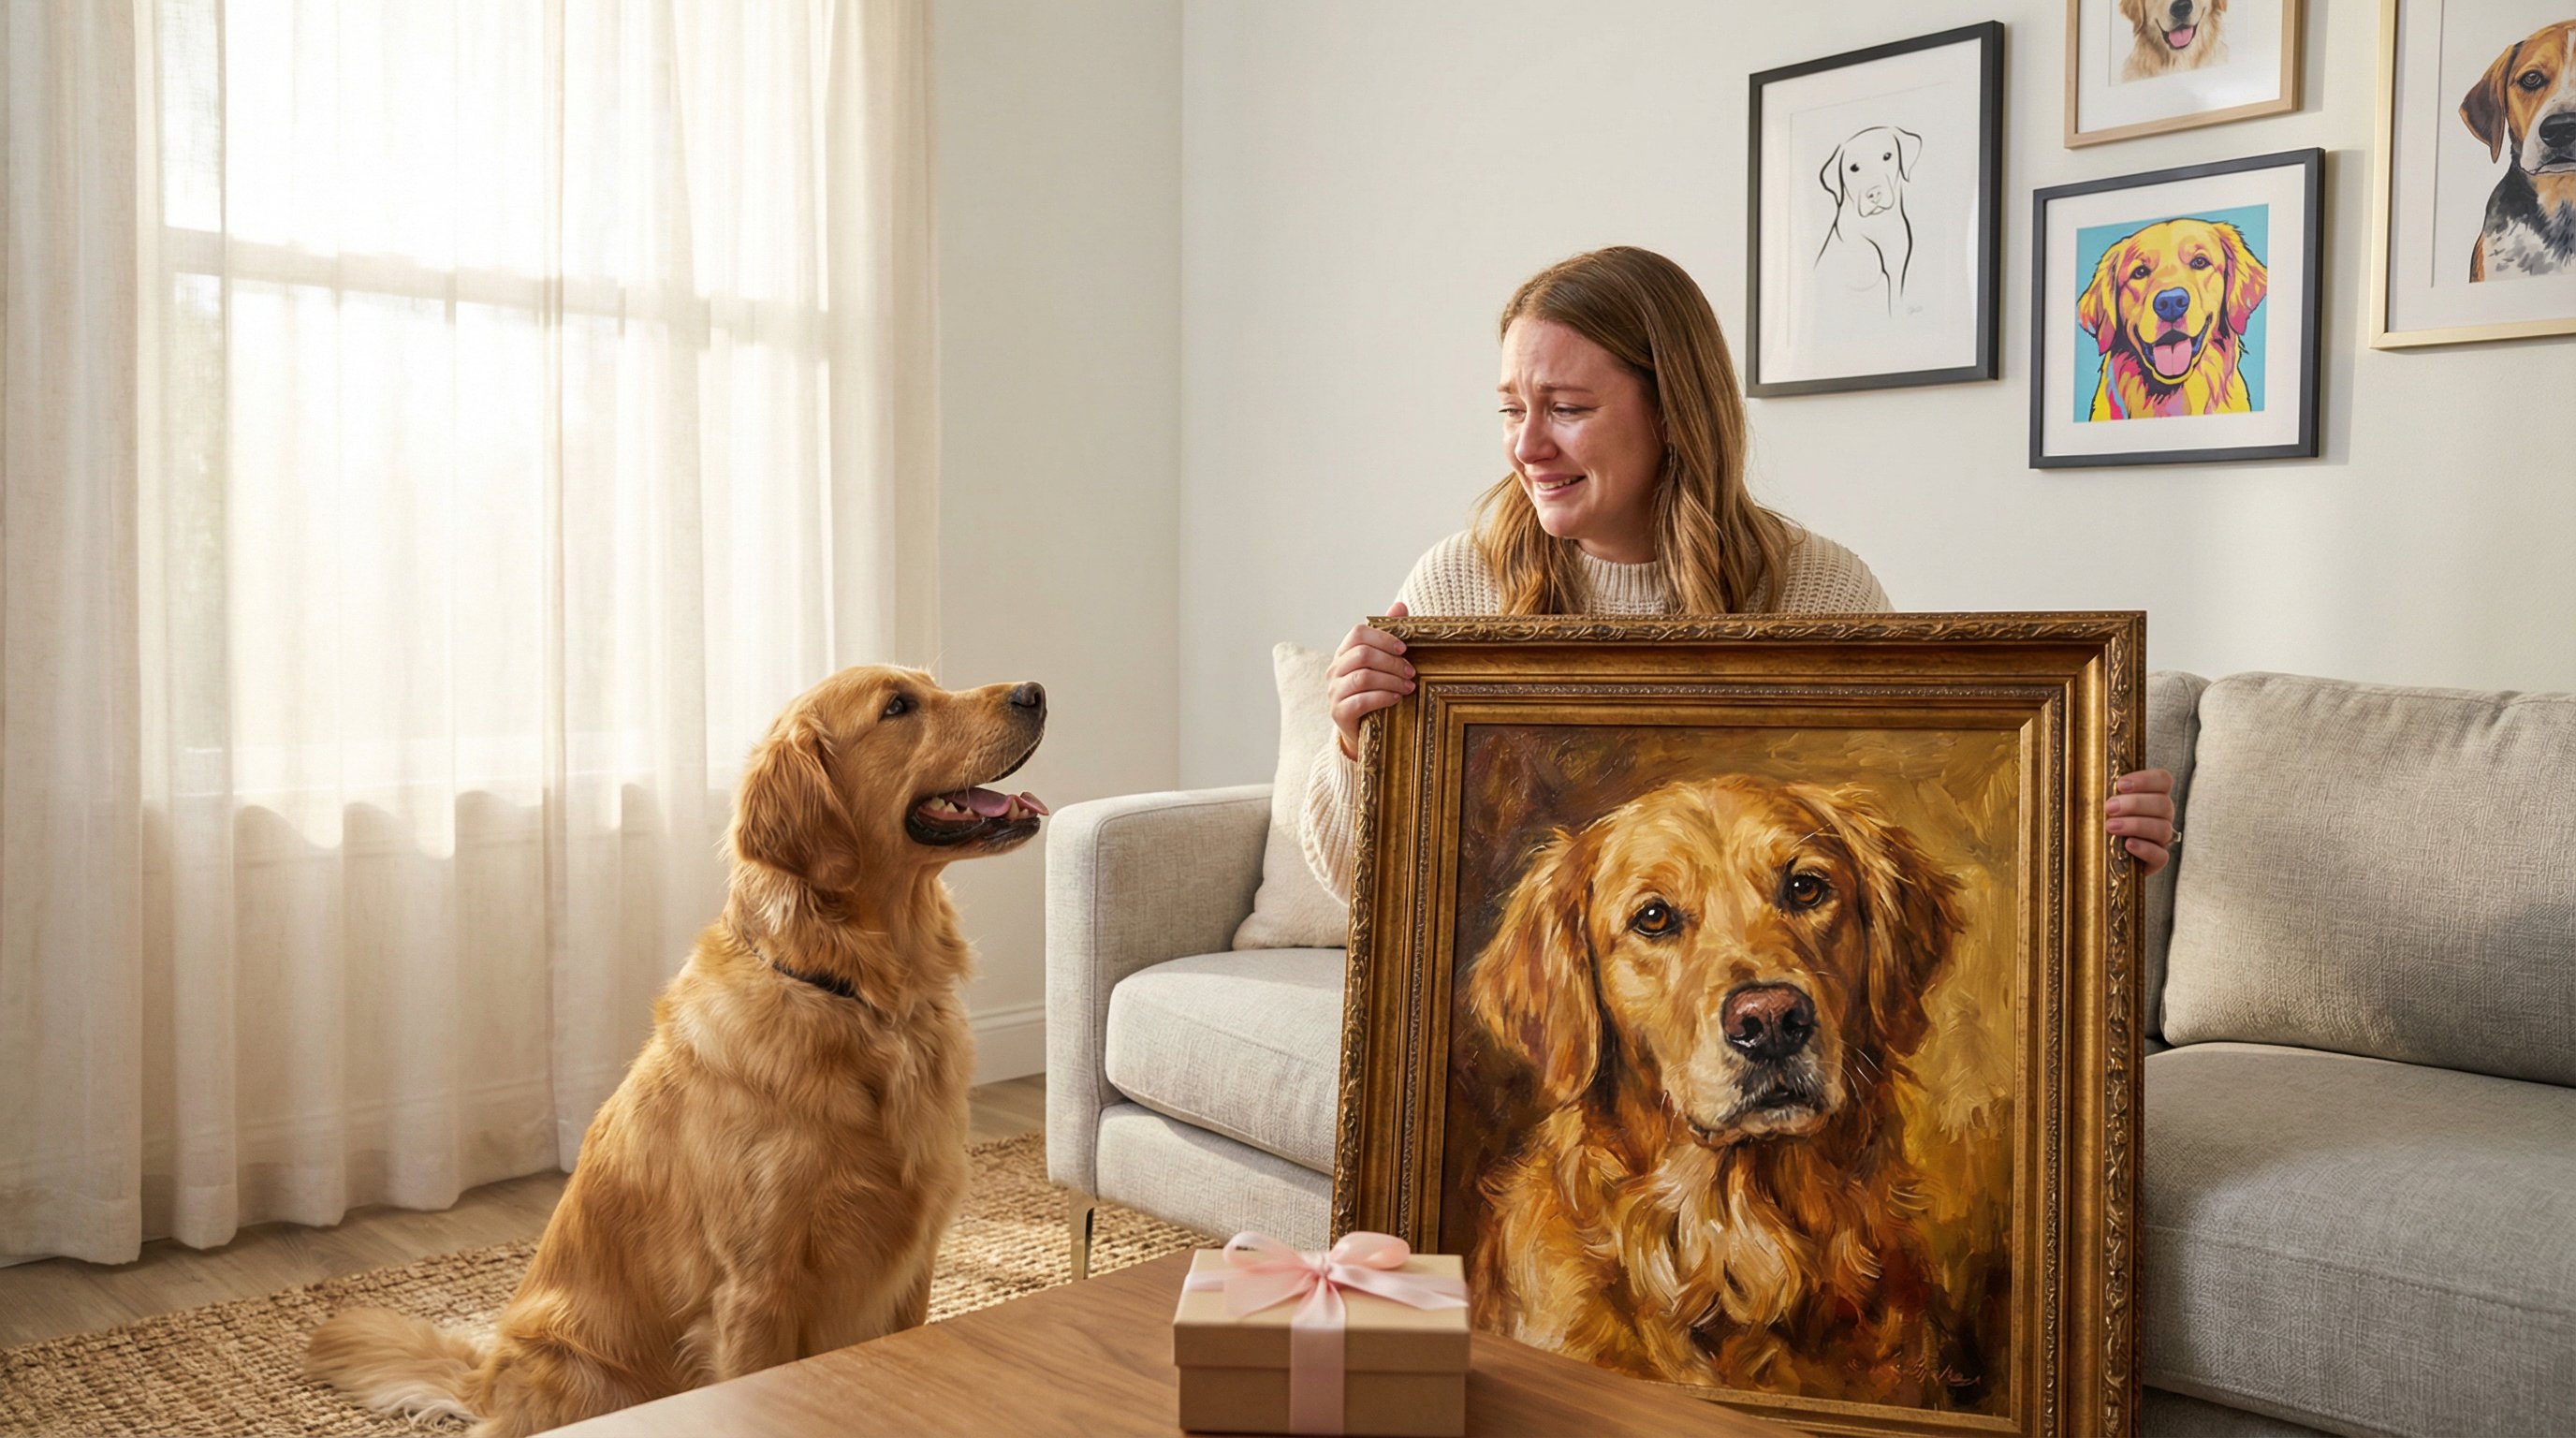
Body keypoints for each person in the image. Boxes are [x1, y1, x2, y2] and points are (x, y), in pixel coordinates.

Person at [1298, 245, 2174, 902]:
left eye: (1566, 409)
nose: (1527, 447)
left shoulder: (1820, 592)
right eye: (1511, 410)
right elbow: (1355, 886)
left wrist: (2091, 830)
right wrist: (1351, 741)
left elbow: (1909, 849)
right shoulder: (1457, 587)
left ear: (1674, 413)